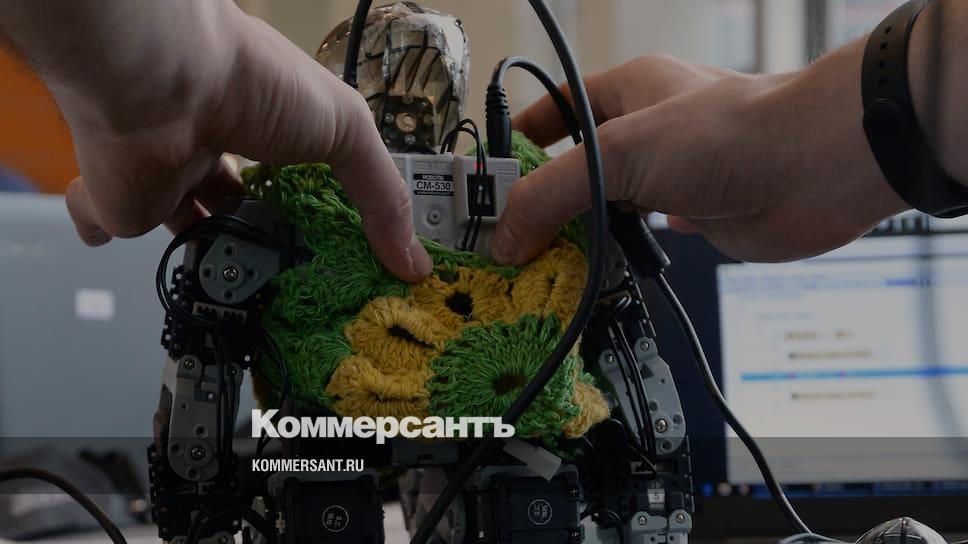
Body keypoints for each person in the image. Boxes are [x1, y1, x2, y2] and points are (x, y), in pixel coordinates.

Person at [1, 1, 964, 279]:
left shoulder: (540, 194)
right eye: (381, 83)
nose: (403, 116)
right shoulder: (296, 212)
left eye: (421, 89)